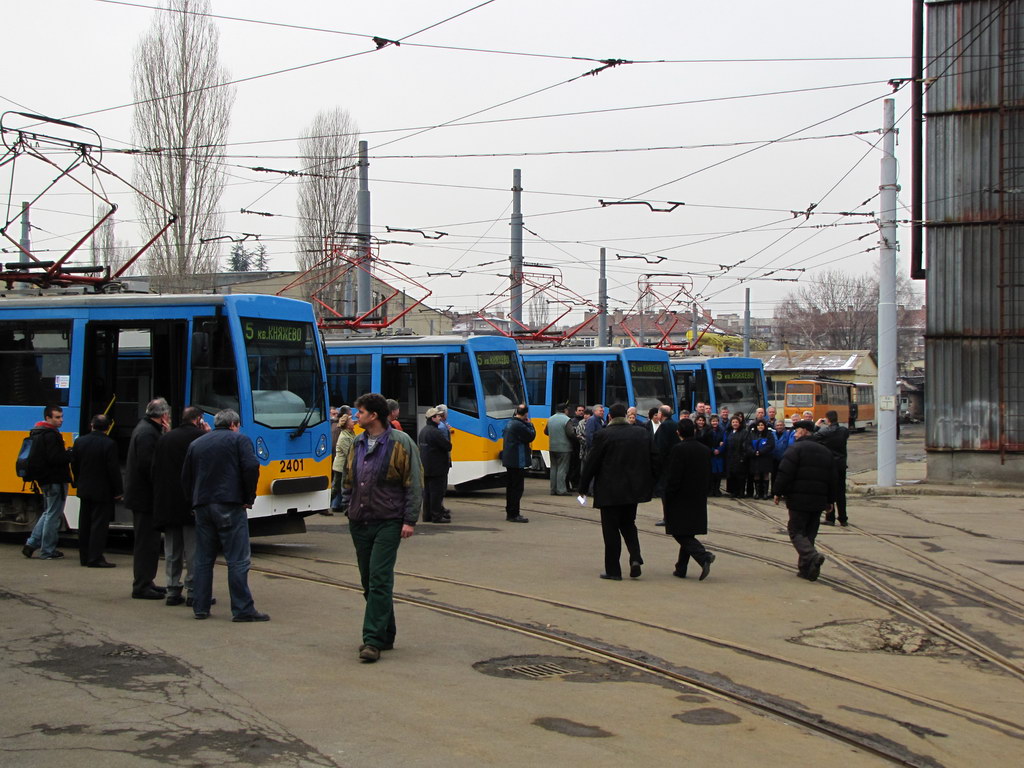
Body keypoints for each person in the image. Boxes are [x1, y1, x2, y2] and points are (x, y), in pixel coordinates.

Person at [341, 393, 422, 662]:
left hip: (388, 520)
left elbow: (413, 482)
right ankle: (386, 633)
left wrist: (410, 520)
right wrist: (346, 504)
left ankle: (372, 640)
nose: (356, 417)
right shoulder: (357, 442)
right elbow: (349, 477)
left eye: (360, 413)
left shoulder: (401, 442)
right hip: (359, 520)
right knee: (368, 579)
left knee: (379, 578)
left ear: (373, 415)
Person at [181, 408, 266, 621]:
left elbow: (185, 477)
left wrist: (193, 501)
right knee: (237, 559)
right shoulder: (240, 441)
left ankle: (200, 607)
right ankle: (242, 609)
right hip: (229, 503)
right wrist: (249, 497)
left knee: (203, 558)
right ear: (234, 424)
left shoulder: (197, 444)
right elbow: (251, 467)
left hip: (203, 505)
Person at [578, 403, 657, 580]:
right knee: (629, 524)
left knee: (611, 530)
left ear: (610, 417)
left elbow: (592, 462)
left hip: (609, 491)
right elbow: (654, 458)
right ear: (626, 416)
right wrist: (652, 482)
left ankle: (613, 570)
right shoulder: (641, 433)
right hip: (633, 490)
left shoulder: (603, 435)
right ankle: (635, 557)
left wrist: (582, 488)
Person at [152, 407, 210, 606]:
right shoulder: (201, 438)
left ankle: (172, 589)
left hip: (168, 503)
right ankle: (193, 591)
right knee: (194, 552)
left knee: (172, 551)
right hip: (191, 502)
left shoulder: (165, 439)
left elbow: (155, 470)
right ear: (199, 420)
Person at [773, 420, 836, 581]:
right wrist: (830, 500)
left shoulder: (795, 449)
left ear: (805, 431)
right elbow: (833, 478)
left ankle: (811, 556)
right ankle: (806, 569)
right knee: (810, 534)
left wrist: (777, 492)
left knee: (796, 531)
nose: (795, 433)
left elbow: (785, 472)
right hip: (818, 500)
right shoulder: (825, 451)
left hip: (798, 499)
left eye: (797, 430)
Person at [125, 397, 170, 600]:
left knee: (149, 543)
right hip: (145, 498)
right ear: (163, 416)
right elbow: (149, 466)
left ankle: (146, 581)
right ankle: (142, 585)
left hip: (143, 496)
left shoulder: (146, 429)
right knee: (146, 543)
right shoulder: (147, 434)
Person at [662, 418, 715, 580]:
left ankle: (703, 555)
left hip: (680, 496)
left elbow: (674, 476)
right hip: (698, 496)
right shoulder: (705, 450)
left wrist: (668, 494)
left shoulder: (679, 449)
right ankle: (681, 568)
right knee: (688, 531)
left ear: (679, 433)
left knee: (679, 531)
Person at [70, 413, 122, 568]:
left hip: (84, 488)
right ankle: (95, 557)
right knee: (99, 525)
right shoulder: (109, 444)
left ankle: (84, 556)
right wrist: (118, 490)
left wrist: (78, 481)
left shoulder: (80, 442)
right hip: (102, 490)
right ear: (107, 428)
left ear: (91, 425)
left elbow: (74, 464)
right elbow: (113, 469)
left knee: (84, 523)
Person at [22, 405, 72, 561]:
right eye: (57, 417)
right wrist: (69, 453)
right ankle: (48, 550)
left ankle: (31, 544)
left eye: (61, 416)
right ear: (48, 418)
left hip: (45, 480)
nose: (61, 420)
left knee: (48, 512)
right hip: (55, 479)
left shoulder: (38, 432)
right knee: (53, 514)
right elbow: (55, 459)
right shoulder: (51, 435)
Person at [813, 410, 850, 526]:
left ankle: (830, 517)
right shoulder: (844, 431)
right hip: (841, 465)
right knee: (841, 492)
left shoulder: (824, 432)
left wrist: (817, 426)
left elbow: (813, 437)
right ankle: (843, 518)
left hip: (829, 465)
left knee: (829, 491)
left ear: (827, 419)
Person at [501, 403, 535, 523]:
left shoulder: (510, 423)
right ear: (525, 413)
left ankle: (510, 512)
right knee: (517, 488)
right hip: (517, 460)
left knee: (511, 487)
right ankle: (514, 513)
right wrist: (530, 424)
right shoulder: (519, 425)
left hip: (510, 460)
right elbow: (531, 436)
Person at [418, 407, 452, 523]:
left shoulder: (423, 431)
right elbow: (448, 446)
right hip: (437, 467)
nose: (440, 418)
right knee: (436, 493)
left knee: (427, 493)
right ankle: (436, 516)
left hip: (425, 466)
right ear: (433, 418)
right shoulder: (435, 432)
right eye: (438, 416)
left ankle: (427, 515)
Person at [331, 410, 356, 514]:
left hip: (344, 467)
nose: (353, 422)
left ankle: (336, 505)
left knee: (339, 487)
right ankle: (324, 506)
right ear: (347, 425)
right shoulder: (344, 437)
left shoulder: (350, 434)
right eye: (351, 421)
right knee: (338, 488)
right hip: (340, 467)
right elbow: (349, 453)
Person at [544, 403, 572, 496]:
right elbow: (570, 433)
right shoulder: (567, 420)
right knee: (562, 469)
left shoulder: (550, 419)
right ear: (565, 410)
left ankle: (553, 489)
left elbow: (546, 432)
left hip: (552, 447)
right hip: (564, 448)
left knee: (553, 468)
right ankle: (561, 490)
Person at [746, 419, 776, 500]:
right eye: (759, 425)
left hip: (765, 458)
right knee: (756, 475)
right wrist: (754, 452)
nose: (760, 427)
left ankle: (765, 493)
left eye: (762, 425)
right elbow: (748, 445)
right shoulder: (752, 434)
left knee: (766, 474)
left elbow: (771, 445)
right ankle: (757, 493)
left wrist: (761, 452)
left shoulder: (769, 434)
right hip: (755, 458)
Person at [724, 416, 749, 498]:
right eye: (733, 422)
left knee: (740, 477)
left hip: (740, 458)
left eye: (736, 422)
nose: (735, 424)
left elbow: (745, 446)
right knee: (732, 476)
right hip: (730, 458)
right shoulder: (730, 432)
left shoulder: (744, 432)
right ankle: (733, 492)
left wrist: (743, 457)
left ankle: (741, 492)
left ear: (739, 423)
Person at [565, 404, 587, 492]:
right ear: (575, 412)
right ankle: (574, 483)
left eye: (582, 411)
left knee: (579, 467)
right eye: (579, 410)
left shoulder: (586, 421)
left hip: (581, 447)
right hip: (574, 447)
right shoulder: (572, 421)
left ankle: (577, 483)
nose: (581, 412)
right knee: (573, 466)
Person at [771, 419, 794, 496]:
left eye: (781, 425)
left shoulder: (787, 434)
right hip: (774, 458)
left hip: (784, 459)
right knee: (774, 476)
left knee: (784, 476)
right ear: (775, 426)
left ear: (784, 426)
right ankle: (773, 492)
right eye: (777, 425)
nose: (779, 427)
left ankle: (784, 492)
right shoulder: (772, 434)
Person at [708, 414, 726, 497]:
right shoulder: (707, 431)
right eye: (713, 421)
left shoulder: (722, 431)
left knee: (719, 473)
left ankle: (717, 489)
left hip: (719, 455)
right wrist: (712, 450)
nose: (714, 423)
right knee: (711, 473)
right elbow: (706, 442)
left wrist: (719, 450)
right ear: (710, 422)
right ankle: (711, 490)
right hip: (711, 455)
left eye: (716, 421)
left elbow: (724, 442)